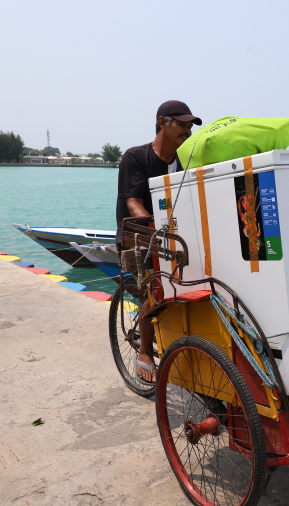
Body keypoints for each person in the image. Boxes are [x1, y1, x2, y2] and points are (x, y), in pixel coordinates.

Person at [116, 100, 202, 382]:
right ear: (163, 122)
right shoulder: (135, 157)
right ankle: (144, 351)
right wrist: (157, 232)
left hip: (172, 235)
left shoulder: (185, 159)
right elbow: (133, 203)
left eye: (191, 126)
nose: (188, 131)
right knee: (154, 286)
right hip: (137, 236)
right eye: (183, 124)